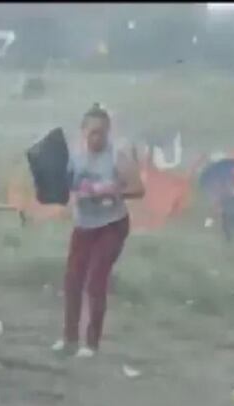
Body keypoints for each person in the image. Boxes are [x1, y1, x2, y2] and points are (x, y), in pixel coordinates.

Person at [52, 104, 145, 358]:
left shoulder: (117, 157)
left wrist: (112, 191)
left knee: (96, 280)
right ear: (83, 131)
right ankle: (69, 339)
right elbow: (62, 189)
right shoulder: (75, 159)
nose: (97, 138)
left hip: (112, 224)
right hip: (84, 224)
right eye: (93, 132)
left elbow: (138, 188)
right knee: (72, 280)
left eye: (102, 132)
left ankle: (91, 344)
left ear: (108, 132)